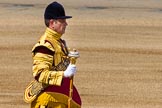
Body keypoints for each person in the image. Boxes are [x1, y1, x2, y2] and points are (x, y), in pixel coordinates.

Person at [28, 1, 81, 108]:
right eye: (62, 21)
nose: (66, 24)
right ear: (52, 23)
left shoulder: (58, 43)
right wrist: (64, 74)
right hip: (48, 101)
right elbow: (40, 74)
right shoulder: (45, 45)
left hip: (57, 100)